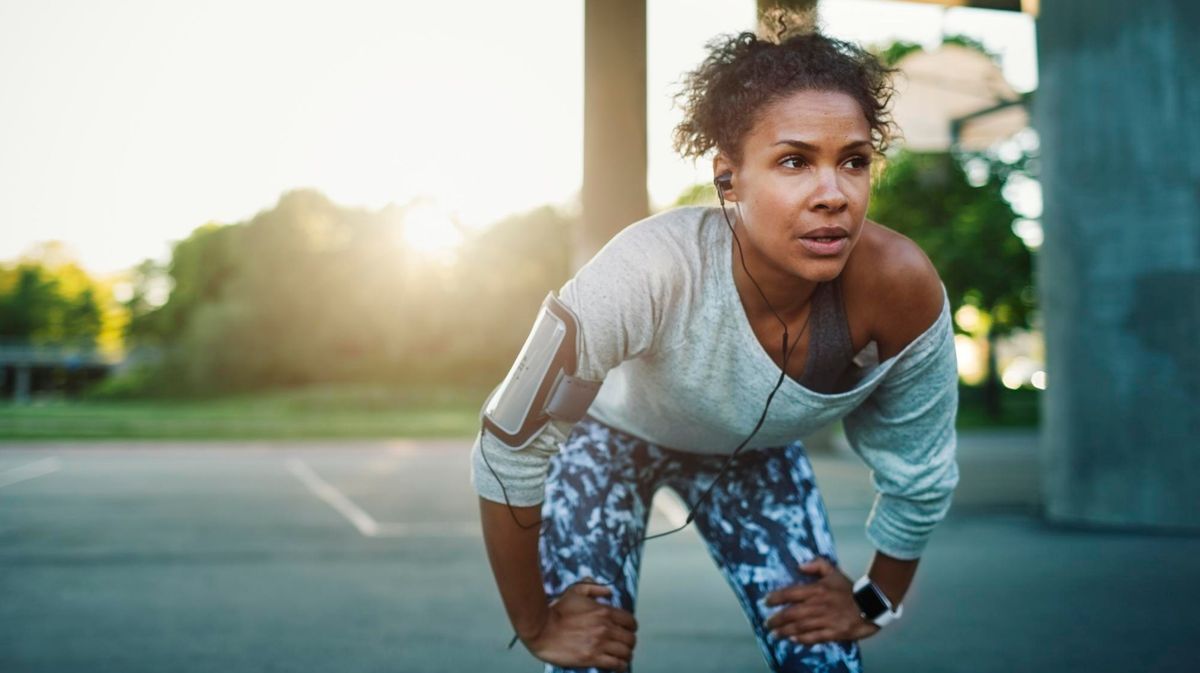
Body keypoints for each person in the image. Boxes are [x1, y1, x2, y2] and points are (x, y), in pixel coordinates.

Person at [470, 23, 960, 673]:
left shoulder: (898, 286)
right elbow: (509, 441)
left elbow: (919, 470)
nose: (833, 193)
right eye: (794, 160)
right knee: (589, 659)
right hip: (606, 439)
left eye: (854, 160)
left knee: (824, 658)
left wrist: (874, 600)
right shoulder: (649, 270)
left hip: (751, 456)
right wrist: (534, 623)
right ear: (729, 180)